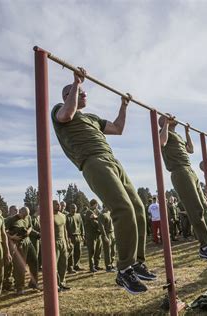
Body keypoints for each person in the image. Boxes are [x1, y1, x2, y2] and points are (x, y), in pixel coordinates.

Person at [52, 68, 155, 293]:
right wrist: (76, 83)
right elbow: (66, 117)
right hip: (93, 161)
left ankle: (136, 262)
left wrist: (124, 106)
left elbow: (118, 129)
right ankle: (124, 270)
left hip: (112, 160)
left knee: (138, 208)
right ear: (67, 95)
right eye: (78, 92)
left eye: (83, 91)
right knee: (123, 209)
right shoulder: (60, 110)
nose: (83, 94)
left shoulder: (92, 118)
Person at [159, 114, 207, 261]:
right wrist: (164, 123)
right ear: (164, 122)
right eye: (169, 118)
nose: (173, 118)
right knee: (196, 209)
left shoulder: (175, 135)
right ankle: (204, 246)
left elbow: (190, 149)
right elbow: (161, 143)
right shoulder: (164, 133)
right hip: (179, 171)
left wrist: (188, 133)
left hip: (189, 170)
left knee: (205, 208)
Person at [5, 206, 40, 294]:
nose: (25, 217)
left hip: (28, 242)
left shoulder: (27, 217)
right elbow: (3, 231)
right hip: (18, 244)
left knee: (34, 261)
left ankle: (33, 283)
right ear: (19, 212)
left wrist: (28, 231)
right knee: (20, 266)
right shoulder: (11, 220)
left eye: (26, 215)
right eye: (23, 215)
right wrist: (12, 237)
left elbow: (30, 226)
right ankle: (19, 287)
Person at [52, 200, 71, 292]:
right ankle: (55, 284)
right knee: (54, 265)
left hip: (62, 241)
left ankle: (62, 282)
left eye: (59, 204)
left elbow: (65, 230)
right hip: (54, 242)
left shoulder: (63, 216)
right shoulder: (49, 216)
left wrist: (67, 242)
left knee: (64, 263)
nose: (58, 205)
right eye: (56, 204)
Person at [84, 199, 103, 273]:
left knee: (98, 251)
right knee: (92, 251)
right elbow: (94, 223)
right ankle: (92, 267)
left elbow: (100, 218)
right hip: (91, 235)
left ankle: (96, 265)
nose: (97, 205)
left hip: (98, 234)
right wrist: (99, 221)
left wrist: (97, 217)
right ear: (94, 204)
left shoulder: (97, 211)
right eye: (97, 204)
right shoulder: (89, 212)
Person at [66, 203, 85, 273]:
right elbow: (65, 228)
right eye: (72, 208)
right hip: (71, 237)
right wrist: (67, 238)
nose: (74, 209)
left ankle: (76, 265)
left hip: (78, 236)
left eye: (75, 208)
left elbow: (81, 225)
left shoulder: (78, 215)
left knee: (78, 252)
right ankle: (70, 267)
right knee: (71, 253)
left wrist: (83, 235)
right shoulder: (67, 217)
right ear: (70, 209)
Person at [99, 206, 116, 272]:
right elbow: (101, 227)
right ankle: (108, 266)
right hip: (107, 234)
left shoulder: (109, 213)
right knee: (107, 251)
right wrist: (104, 236)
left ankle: (112, 264)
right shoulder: (102, 215)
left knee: (113, 250)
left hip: (112, 233)